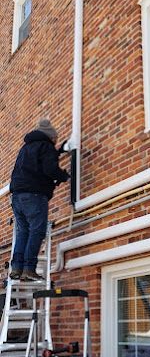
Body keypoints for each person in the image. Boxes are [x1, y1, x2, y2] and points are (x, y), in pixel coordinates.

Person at [9, 118, 70, 281]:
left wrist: (58, 152)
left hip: (17, 196)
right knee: (37, 231)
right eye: (55, 140)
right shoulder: (46, 146)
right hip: (34, 196)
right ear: (51, 137)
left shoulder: (26, 148)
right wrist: (63, 176)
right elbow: (49, 168)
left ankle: (17, 268)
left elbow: (38, 164)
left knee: (23, 232)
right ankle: (29, 269)